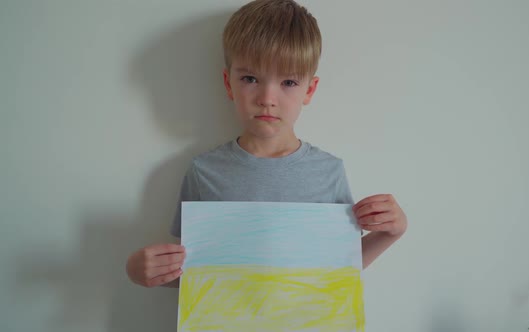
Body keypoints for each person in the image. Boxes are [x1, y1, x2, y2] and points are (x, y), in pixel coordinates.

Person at [126, 0, 407, 289]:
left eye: (288, 82)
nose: (267, 98)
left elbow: (340, 267)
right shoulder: (204, 171)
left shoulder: (329, 172)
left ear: (309, 90)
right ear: (228, 83)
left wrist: (390, 233)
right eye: (250, 78)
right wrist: (141, 272)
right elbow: (196, 273)